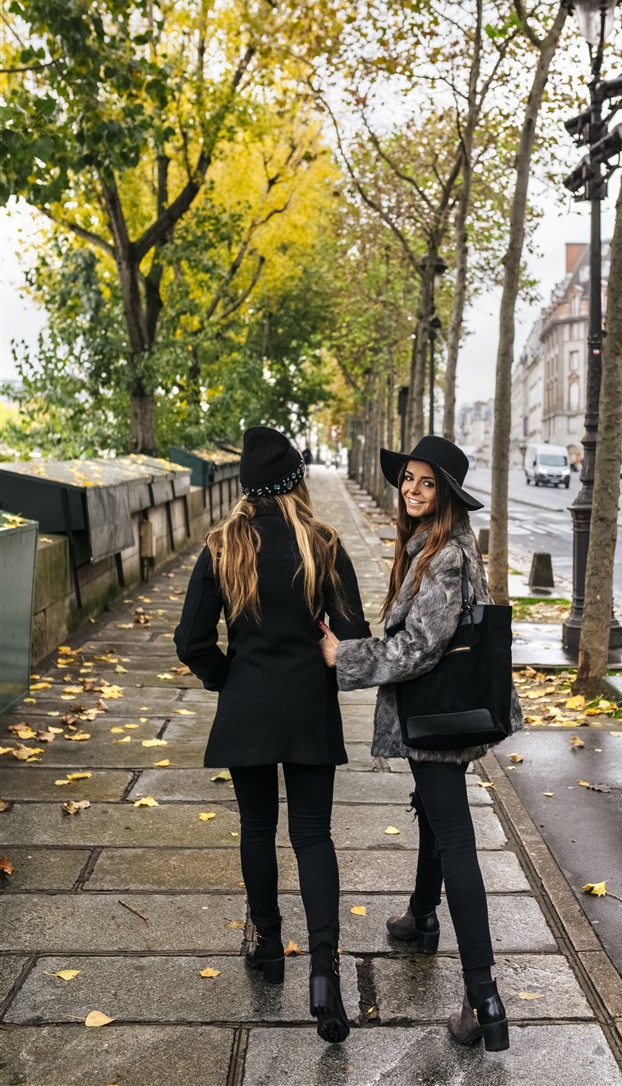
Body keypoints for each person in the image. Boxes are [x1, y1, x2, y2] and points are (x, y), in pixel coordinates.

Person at [319, 435, 523, 1052]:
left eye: (426, 483)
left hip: (440, 713)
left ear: (447, 496)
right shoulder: (427, 546)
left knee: (457, 838)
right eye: (408, 478)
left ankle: (483, 997)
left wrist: (342, 656)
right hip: (440, 712)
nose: (411, 489)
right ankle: (422, 914)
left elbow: (418, 649)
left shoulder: (445, 558)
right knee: (436, 816)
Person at [174, 427, 370, 1044]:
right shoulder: (323, 544)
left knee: (257, 828)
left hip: (247, 706)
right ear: (296, 483)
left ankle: (265, 943)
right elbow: (354, 633)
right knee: (313, 836)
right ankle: (325, 977)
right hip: (310, 706)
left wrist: (227, 679)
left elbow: (191, 641)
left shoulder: (221, 546)